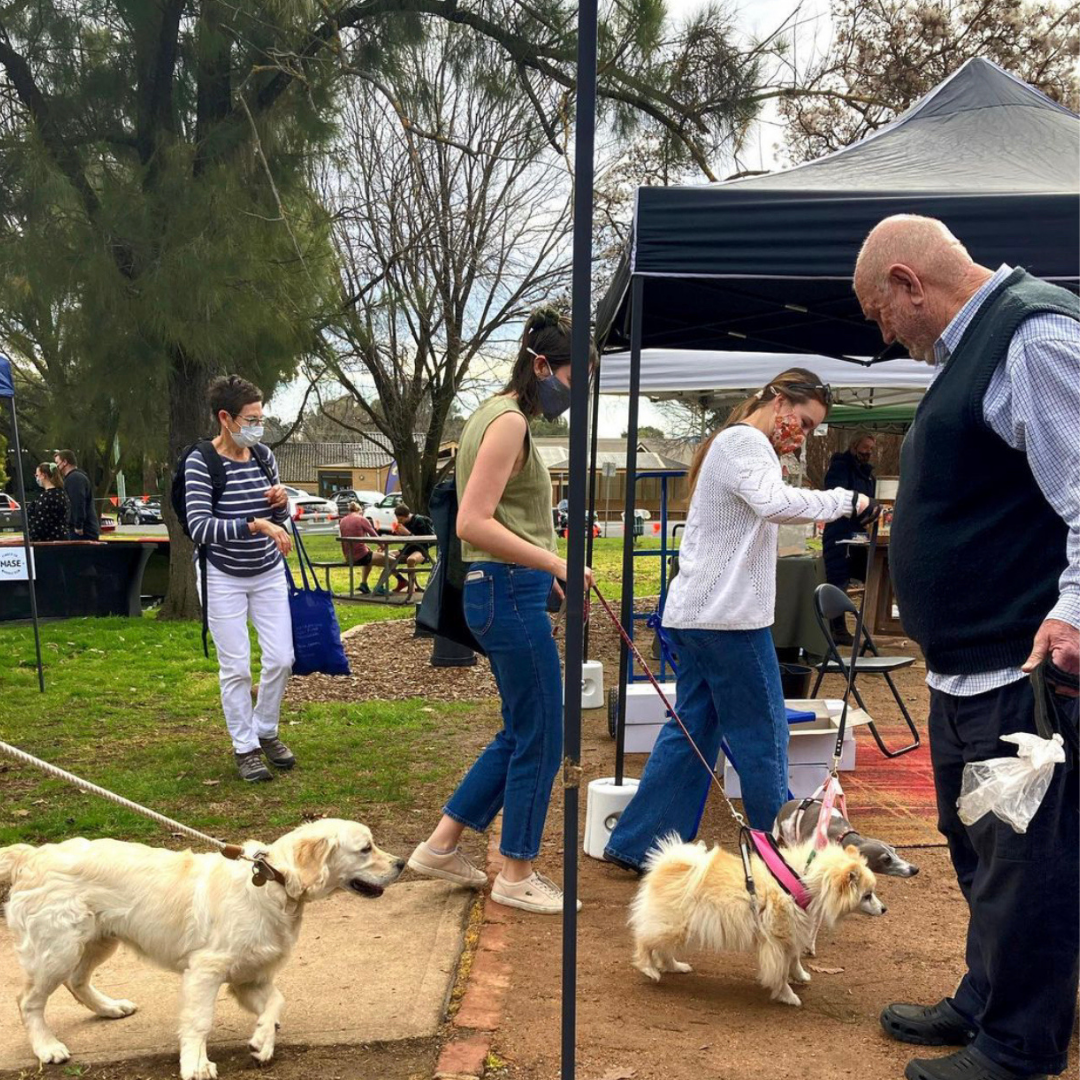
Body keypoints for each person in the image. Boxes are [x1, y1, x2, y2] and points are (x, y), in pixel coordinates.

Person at [854, 214, 1078, 1080]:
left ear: (911, 282)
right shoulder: (974, 355)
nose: (889, 334)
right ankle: (985, 999)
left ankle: (1020, 1047)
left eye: (884, 314)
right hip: (964, 669)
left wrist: (1076, 613)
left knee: (1027, 862)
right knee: (981, 844)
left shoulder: (1032, 338)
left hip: (1022, 674)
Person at [603, 368, 878, 874]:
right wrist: (847, 501)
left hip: (700, 614)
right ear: (778, 400)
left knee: (693, 730)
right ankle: (784, 855)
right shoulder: (746, 443)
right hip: (728, 620)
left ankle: (641, 843)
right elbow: (774, 505)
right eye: (805, 421)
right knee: (763, 734)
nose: (804, 433)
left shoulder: (734, 445)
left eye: (814, 429)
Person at [407, 305, 596, 914]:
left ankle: (441, 846)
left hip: (505, 591)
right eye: (575, 378)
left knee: (523, 728)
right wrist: (556, 564)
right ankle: (516, 874)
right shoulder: (510, 421)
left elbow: (495, 518)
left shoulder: (495, 414)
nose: (577, 392)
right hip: (506, 592)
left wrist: (548, 566)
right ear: (542, 365)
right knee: (544, 733)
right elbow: (473, 522)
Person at [184, 375, 297, 784]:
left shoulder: (264, 455)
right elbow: (199, 526)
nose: (257, 426)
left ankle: (265, 729)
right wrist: (255, 525)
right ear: (225, 418)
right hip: (221, 575)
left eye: (261, 417)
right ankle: (245, 747)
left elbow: (280, 520)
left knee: (282, 658)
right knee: (236, 669)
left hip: (266, 571)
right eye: (250, 419)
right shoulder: (202, 461)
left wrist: (281, 506)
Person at [822, 432, 877, 644]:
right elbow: (836, 496)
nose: (868, 453)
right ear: (854, 447)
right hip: (839, 533)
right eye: (866, 448)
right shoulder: (840, 467)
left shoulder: (867, 474)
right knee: (839, 581)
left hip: (859, 534)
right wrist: (860, 508)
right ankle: (838, 630)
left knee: (870, 575)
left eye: (871, 449)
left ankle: (869, 623)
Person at [53, 450, 99, 540]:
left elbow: (78, 502)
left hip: (83, 531)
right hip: (85, 528)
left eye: (57, 463)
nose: (57, 466)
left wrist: (78, 525)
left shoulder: (74, 479)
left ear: (65, 462)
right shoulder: (76, 477)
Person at [338, 501, 381, 594]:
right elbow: (374, 535)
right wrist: (382, 546)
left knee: (370, 559)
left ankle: (364, 584)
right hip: (361, 556)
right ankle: (380, 586)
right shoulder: (361, 519)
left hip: (349, 556)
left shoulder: (343, 521)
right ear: (360, 511)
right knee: (390, 560)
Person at [26, 462, 70, 542]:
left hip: (47, 540)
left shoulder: (46, 497)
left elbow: (41, 523)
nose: (37, 478)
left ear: (44, 475)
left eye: (37, 475)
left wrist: (31, 537)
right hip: (62, 536)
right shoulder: (62, 493)